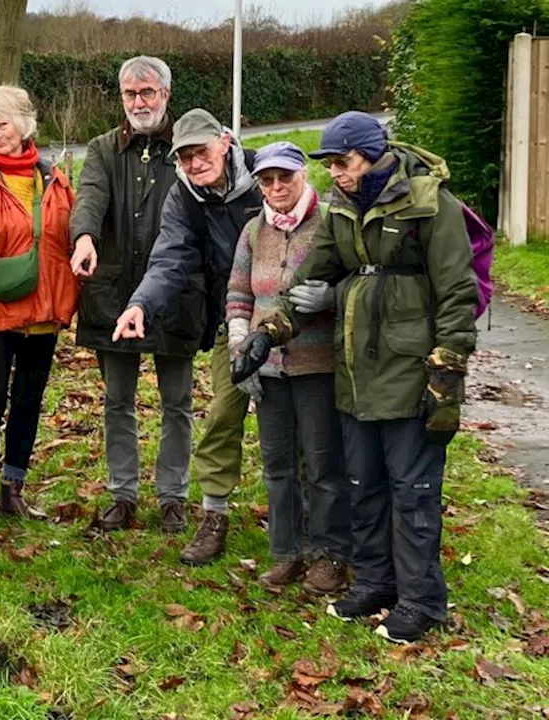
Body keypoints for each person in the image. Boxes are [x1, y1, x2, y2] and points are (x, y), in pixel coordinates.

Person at [237, 112, 478, 643]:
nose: (337, 174)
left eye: (343, 163)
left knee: (412, 490)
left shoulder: (430, 205)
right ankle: (375, 581)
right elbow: (310, 279)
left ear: (373, 154)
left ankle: (421, 600)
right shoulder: (343, 211)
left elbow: (459, 293)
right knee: (363, 485)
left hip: (413, 371)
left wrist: (448, 368)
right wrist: (268, 333)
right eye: (329, 165)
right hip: (354, 372)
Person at [113, 108, 262, 565]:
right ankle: (215, 516)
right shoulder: (185, 196)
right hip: (230, 319)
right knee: (221, 413)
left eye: (202, 152)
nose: (196, 164)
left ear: (224, 142)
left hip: (289, 318)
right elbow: (170, 258)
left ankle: (310, 525)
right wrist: (140, 304)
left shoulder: (266, 174)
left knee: (298, 422)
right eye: (186, 157)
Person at [69, 56, 198, 535]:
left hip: (176, 293)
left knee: (177, 401)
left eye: (147, 92)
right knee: (117, 400)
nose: (139, 102)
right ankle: (123, 494)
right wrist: (84, 236)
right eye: (130, 94)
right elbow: (90, 197)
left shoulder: (185, 148)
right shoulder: (104, 149)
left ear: (166, 94)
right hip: (115, 292)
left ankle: (173, 497)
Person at [224, 141, 350, 593]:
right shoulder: (254, 231)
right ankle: (286, 552)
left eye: (285, 178)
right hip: (268, 367)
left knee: (322, 462)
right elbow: (239, 292)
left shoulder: (330, 223)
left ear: (303, 176)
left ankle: (329, 553)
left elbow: (351, 285)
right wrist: (242, 346)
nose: (276, 187)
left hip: (317, 364)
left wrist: (331, 300)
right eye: (267, 180)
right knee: (277, 464)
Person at [0, 85, 79, 536]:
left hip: (43, 308)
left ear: (25, 123)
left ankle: (14, 488)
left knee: (28, 400)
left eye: (2, 124)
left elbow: (72, 225)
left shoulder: (54, 178)